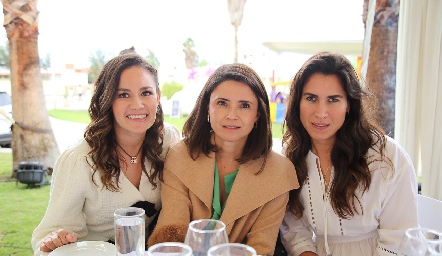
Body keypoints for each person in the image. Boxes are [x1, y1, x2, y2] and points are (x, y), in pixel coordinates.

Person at [31, 52, 181, 255]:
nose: (137, 104)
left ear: (159, 96)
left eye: (146, 92)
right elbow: (47, 235)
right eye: (123, 94)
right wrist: (56, 241)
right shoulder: (78, 159)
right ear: (108, 100)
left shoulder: (169, 139)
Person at [147, 63, 299, 255]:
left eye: (244, 106)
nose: (232, 115)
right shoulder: (180, 155)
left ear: (257, 114)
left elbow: (261, 248)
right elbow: (171, 232)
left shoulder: (279, 171)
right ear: (207, 108)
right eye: (222, 103)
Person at [280, 52, 418, 256]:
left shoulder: (386, 156)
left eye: (333, 100)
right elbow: (294, 229)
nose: (321, 112)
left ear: (349, 106)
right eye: (311, 98)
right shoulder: (291, 153)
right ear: (297, 102)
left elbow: (400, 239)